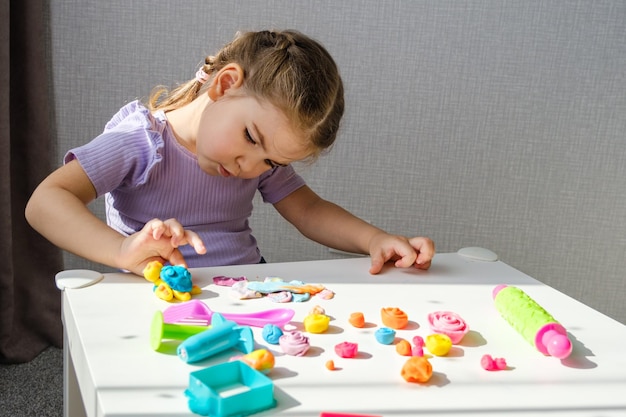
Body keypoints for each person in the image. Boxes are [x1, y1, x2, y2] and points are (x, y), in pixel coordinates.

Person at [25, 29, 434, 277]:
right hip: (159, 293)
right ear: (224, 85)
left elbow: (308, 210)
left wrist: (375, 239)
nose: (250, 168)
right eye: (252, 139)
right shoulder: (141, 142)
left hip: (248, 289)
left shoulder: (253, 160)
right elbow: (45, 203)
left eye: (271, 163)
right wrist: (120, 251)